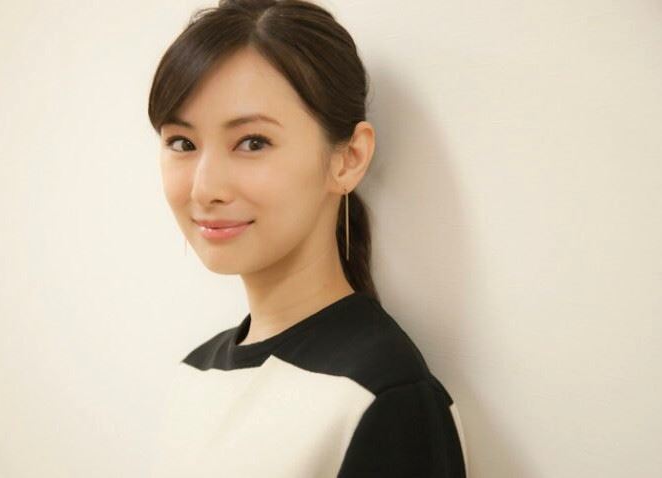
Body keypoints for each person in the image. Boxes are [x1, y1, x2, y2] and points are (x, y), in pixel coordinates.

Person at [147, 0, 468, 475]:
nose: (204, 189)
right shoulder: (195, 373)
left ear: (348, 159)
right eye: (183, 143)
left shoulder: (384, 396)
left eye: (253, 142)